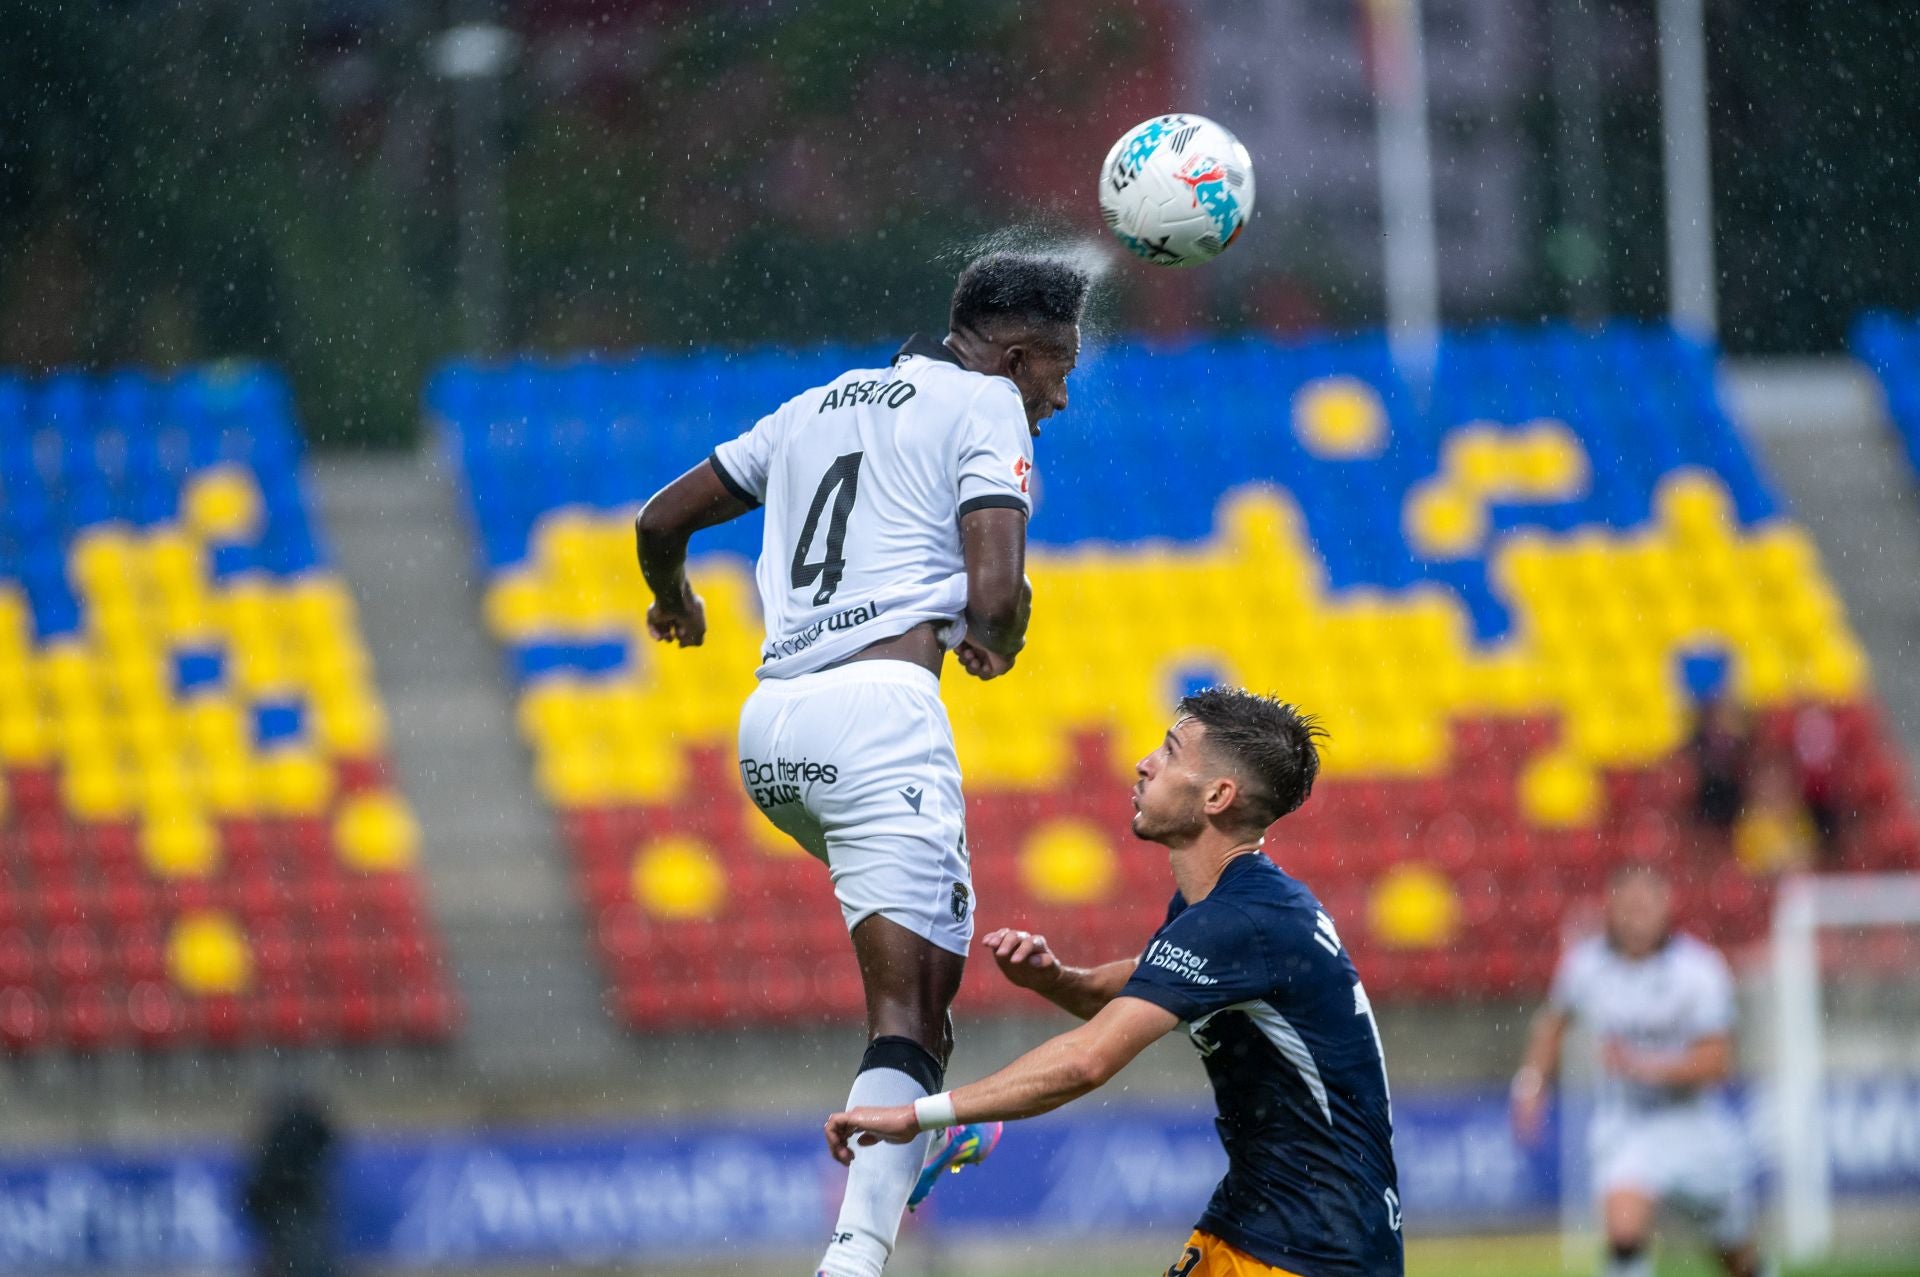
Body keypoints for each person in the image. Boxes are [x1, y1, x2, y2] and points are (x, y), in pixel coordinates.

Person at [636, 251, 1089, 1277]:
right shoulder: (986, 406)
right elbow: (1000, 588)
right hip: (879, 715)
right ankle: (856, 1252)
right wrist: (997, 640)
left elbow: (659, 520)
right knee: (910, 1016)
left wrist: (675, 599)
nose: (1059, 395)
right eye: (1057, 369)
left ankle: (921, 1135)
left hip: (772, 727)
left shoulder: (808, 407)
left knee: (921, 1002)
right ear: (1016, 355)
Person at [826, 688, 1404, 1277]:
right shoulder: (1229, 907)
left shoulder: (1241, 923)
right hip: (1264, 1224)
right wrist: (1057, 979)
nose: (1145, 763)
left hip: (1314, 1249)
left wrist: (919, 1115)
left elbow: (1087, 1061)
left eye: (1170, 752)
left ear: (1217, 795)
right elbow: (1134, 990)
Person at [1510, 863, 1765, 1277]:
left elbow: (1718, 1061)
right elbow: (1552, 1024)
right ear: (1610, 909)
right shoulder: (1586, 965)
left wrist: (1646, 1067)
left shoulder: (1699, 971)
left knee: (1735, 1254)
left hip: (1694, 1125)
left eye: (1644, 906)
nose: (1634, 917)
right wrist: (1530, 1086)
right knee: (1624, 1234)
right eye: (1626, 907)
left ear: (1666, 907)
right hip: (1627, 1124)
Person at [239, 1091, 342, 1277]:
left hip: (282, 1201)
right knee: (302, 1253)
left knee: (293, 1251)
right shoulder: (304, 1133)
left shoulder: (285, 1136)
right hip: (291, 1201)